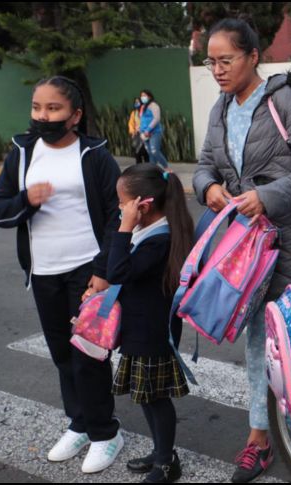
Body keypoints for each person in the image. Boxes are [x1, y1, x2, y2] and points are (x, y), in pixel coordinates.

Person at [192, 18, 291, 483]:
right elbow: (204, 165)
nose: (217, 70)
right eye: (211, 61)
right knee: (256, 343)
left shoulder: (288, 101)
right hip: (245, 250)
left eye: (225, 60)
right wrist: (207, 187)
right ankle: (260, 437)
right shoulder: (220, 108)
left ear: (253, 56)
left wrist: (266, 197)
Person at [0, 76, 123, 474]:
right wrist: (26, 200)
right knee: (63, 354)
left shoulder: (94, 155)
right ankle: (79, 423)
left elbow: (118, 214)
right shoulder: (23, 153)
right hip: (44, 271)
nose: (42, 116)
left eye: (53, 109)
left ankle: (105, 432)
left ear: (75, 115)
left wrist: (104, 271)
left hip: (86, 270)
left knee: (90, 355)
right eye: (36, 108)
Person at [104, 164, 194, 483]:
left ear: (143, 205)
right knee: (146, 396)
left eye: (122, 202)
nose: (119, 208)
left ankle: (168, 462)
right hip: (140, 329)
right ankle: (161, 452)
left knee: (155, 399)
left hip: (150, 333)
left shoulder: (158, 241)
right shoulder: (155, 230)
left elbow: (118, 271)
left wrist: (124, 227)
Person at [139, 89, 170, 170]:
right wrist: (141, 131)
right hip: (144, 134)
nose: (142, 97)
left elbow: (156, 118)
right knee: (150, 153)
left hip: (154, 132)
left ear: (149, 96)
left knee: (154, 151)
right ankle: (153, 170)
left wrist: (148, 129)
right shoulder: (142, 107)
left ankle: (167, 168)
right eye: (141, 96)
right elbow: (141, 119)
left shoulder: (154, 105)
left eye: (144, 95)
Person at [129, 97, 150, 164]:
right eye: (136, 102)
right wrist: (132, 131)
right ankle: (139, 169)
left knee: (146, 153)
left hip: (145, 135)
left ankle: (148, 168)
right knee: (138, 153)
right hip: (137, 136)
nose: (137, 104)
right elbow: (131, 124)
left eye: (138, 102)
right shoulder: (134, 113)